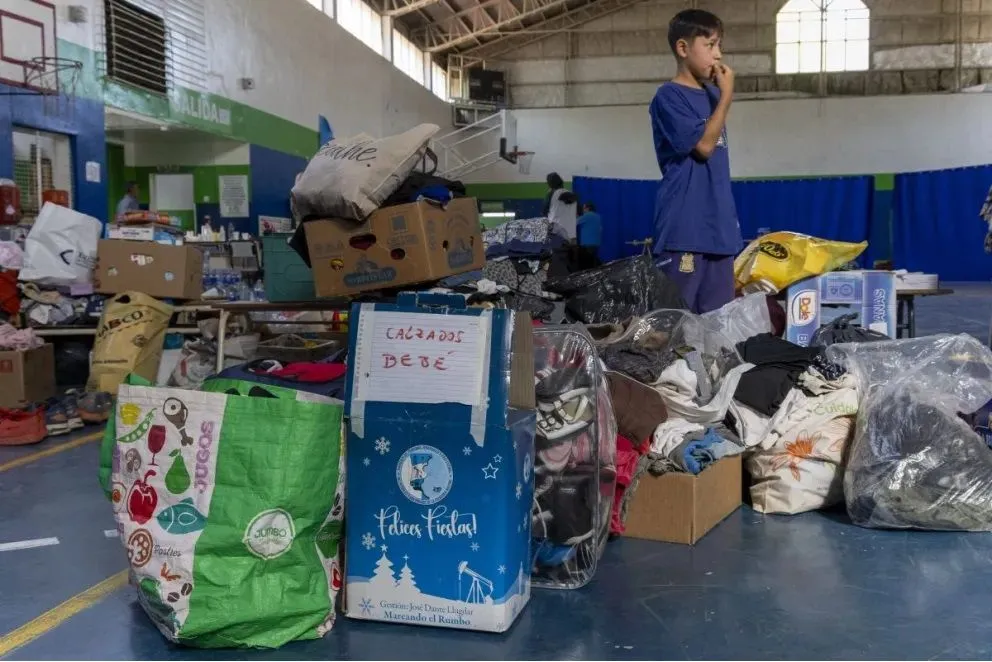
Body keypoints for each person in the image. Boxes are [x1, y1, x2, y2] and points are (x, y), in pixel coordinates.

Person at [649, 8, 741, 314]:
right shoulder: (669, 96)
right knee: (676, 323)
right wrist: (726, 98)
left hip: (719, 230)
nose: (718, 55)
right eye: (710, 45)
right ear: (683, 48)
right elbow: (703, 146)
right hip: (685, 229)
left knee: (718, 327)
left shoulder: (713, 96)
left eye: (720, 45)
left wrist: (720, 97)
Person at [543, 172, 578, 240]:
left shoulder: (551, 194)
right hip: (571, 234)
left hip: (556, 232)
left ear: (550, 184)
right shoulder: (572, 195)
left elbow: (544, 211)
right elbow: (578, 213)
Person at [576, 202, 603, 269]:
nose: (583, 210)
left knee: (587, 262)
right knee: (593, 260)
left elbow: (575, 222)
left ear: (587, 208)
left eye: (584, 208)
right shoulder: (597, 216)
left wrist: (576, 216)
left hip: (587, 243)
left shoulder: (587, 215)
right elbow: (600, 229)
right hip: (596, 242)